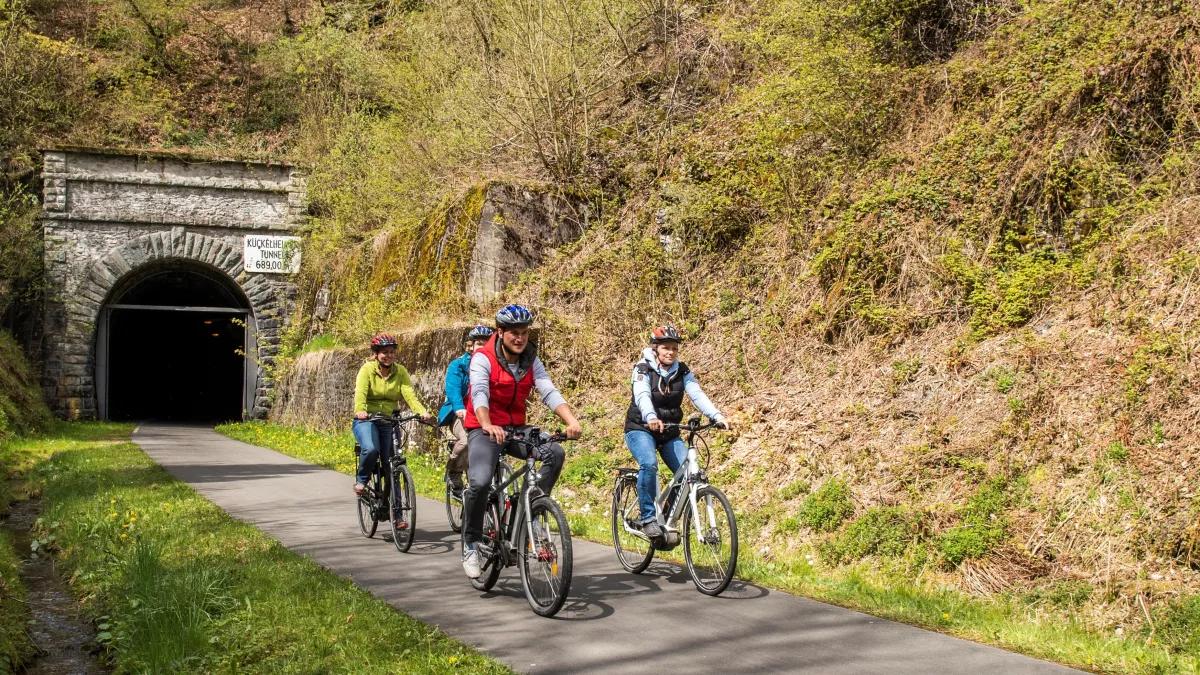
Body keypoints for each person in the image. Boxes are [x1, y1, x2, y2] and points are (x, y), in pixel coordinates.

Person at [460, 304, 583, 579]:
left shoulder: (530, 359)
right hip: (484, 427)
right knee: (479, 482)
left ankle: (531, 508)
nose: (520, 338)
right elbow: (479, 392)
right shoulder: (483, 357)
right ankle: (470, 543)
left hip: (515, 428)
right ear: (500, 332)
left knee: (554, 451)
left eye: (525, 333)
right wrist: (486, 423)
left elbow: (548, 390)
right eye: (514, 333)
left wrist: (570, 420)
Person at [625, 324, 730, 539]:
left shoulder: (682, 371)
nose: (671, 352)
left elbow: (696, 394)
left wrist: (716, 416)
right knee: (649, 464)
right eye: (666, 348)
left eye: (674, 348)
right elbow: (642, 394)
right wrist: (651, 417)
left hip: (670, 431)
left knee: (689, 473)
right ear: (655, 349)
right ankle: (648, 518)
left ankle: (665, 516)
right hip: (641, 428)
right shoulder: (642, 369)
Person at [352, 333, 433, 530]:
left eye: (391, 352)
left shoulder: (400, 372)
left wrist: (421, 412)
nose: (388, 356)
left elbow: (409, 395)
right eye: (384, 352)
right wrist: (361, 410)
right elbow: (360, 393)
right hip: (367, 419)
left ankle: (397, 516)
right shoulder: (367, 370)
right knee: (371, 449)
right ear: (376, 354)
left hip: (389, 419)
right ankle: (362, 480)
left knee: (393, 467)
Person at [437, 324, 494, 497]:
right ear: (471, 346)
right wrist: (460, 408)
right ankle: (453, 471)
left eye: (487, 343)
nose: (482, 347)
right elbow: (453, 390)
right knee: (467, 440)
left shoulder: (497, 365)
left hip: (487, 413)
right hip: (461, 413)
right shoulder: (458, 365)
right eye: (478, 343)